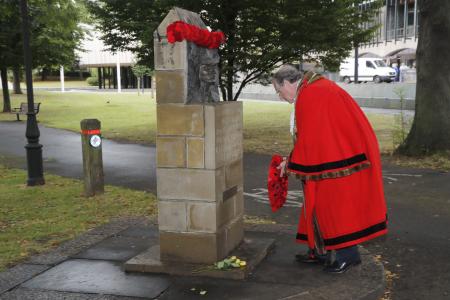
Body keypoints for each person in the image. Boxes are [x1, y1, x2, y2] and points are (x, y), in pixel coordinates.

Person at [272, 65, 387, 273]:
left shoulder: (313, 93)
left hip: (340, 160)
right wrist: (291, 160)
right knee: (317, 205)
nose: (280, 97)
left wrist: (290, 162)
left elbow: (314, 138)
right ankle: (319, 250)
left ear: (287, 83)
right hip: (335, 155)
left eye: (279, 91)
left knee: (336, 209)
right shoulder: (312, 90)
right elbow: (312, 136)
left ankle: (348, 256)